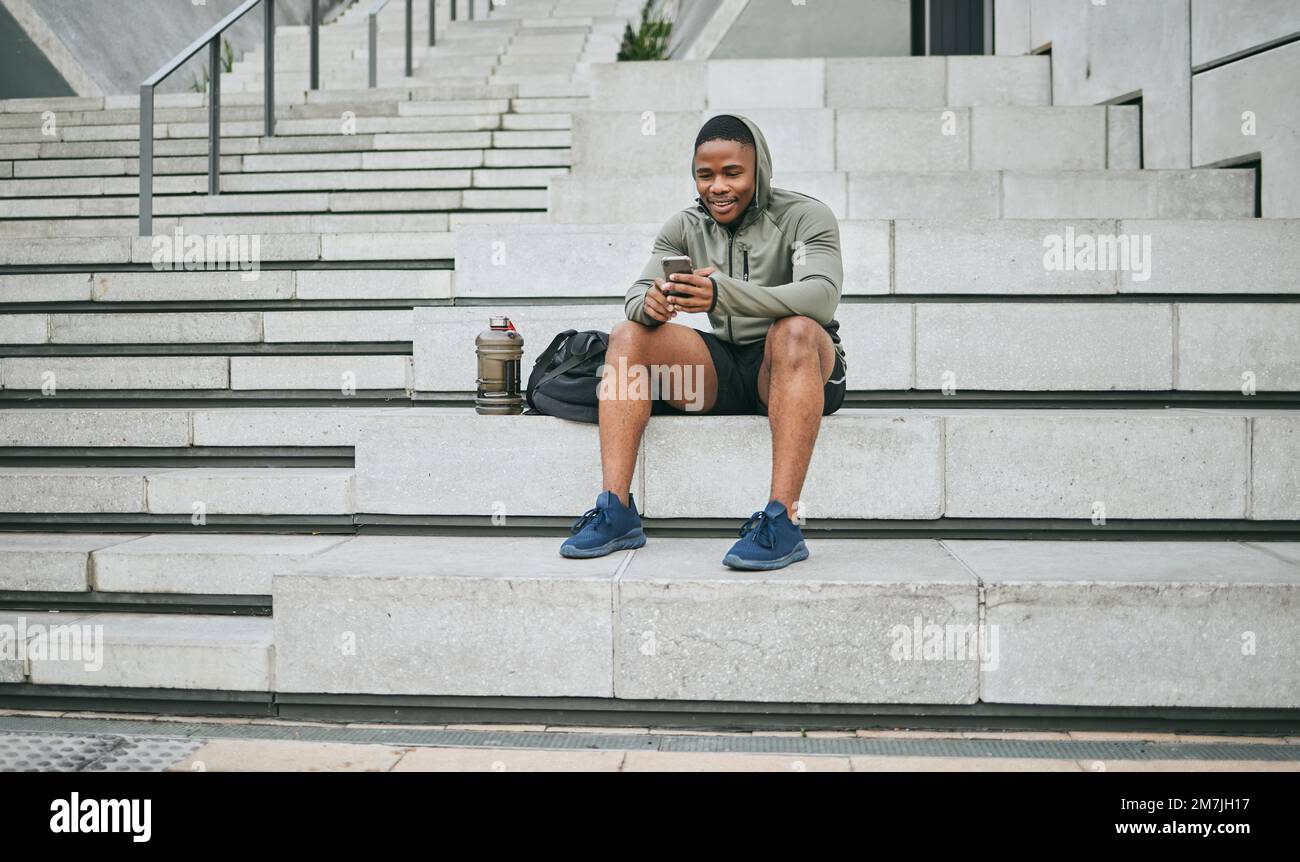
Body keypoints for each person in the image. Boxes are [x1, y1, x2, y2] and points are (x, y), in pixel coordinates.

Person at [560, 113, 847, 570]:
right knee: (628, 336)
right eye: (705, 174)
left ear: (760, 170)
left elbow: (821, 296)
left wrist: (723, 293)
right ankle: (616, 511)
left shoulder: (805, 217)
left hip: (796, 366)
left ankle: (782, 521)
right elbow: (636, 291)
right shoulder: (685, 226)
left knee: (793, 330)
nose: (718, 186)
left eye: (733, 172)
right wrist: (649, 304)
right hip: (724, 372)